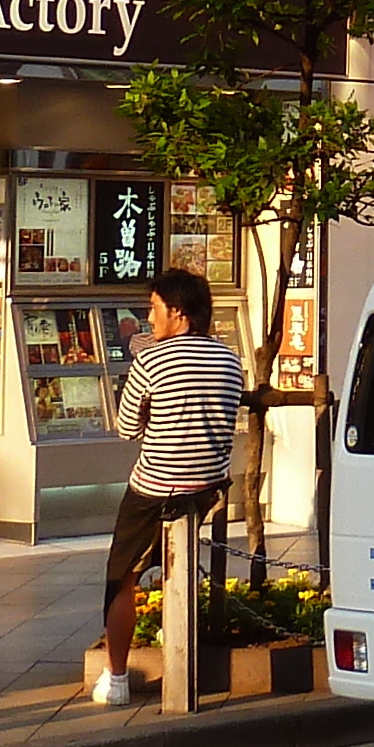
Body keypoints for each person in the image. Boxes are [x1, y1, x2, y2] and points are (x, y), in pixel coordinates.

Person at [95, 264, 250, 706]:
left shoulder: (150, 358)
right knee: (177, 566)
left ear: (178, 312)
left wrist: (152, 418)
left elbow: (126, 426)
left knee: (120, 578)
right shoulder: (228, 358)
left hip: (155, 486)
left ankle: (118, 677)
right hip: (207, 487)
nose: (149, 318)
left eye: (154, 308)